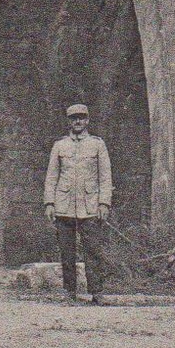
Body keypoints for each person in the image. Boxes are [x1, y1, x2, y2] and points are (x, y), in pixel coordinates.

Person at [44, 104, 112, 304]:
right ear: (69, 121)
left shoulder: (97, 145)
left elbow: (105, 178)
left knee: (93, 250)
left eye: (81, 118)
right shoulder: (60, 146)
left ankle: (96, 292)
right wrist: (49, 203)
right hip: (64, 206)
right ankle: (69, 291)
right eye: (74, 118)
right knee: (67, 251)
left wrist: (103, 203)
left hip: (90, 206)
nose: (78, 122)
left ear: (88, 120)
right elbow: (51, 177)